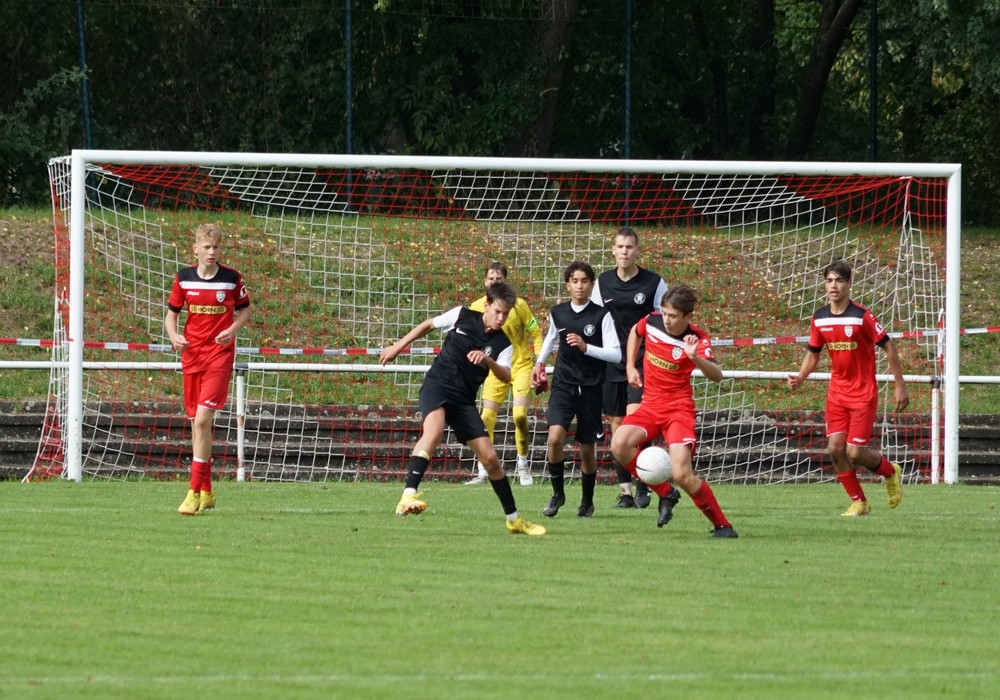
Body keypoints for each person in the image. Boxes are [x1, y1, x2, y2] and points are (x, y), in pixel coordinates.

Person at [379, 281, 546, 536]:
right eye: (497, 311)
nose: (501, 318)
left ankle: (514, 519)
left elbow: (506, 376)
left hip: (464, 399)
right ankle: (408, 495)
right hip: (438, 384)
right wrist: (397, 347)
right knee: (433, 431)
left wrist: (488, 359)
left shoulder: (503, 344)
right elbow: (427, 325)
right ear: (487, 305)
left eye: (506, 313)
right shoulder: (462, 315)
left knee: (490, 458)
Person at [610, 284, 738, 537]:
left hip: (678, 411)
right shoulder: (653, 321)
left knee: (681, 474)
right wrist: (630, 367)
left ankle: (723, 526)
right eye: (665, 313)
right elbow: (636, 332)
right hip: (650, 405)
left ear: (688, 316)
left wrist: (695, 358)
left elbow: (717, 376)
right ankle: (666, 494)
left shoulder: (697, 339)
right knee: (619, 445)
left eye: (673, 316)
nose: (667, 320)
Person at [787, 260, 907, 516]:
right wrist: (800, 377)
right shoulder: (819, 318)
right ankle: (859, 502)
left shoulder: (862, 316)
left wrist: (899, 385)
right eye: (829, 280)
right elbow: (813, 353)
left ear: (849, 284)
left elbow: (889, 347)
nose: (834, 285)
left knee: (855, 451)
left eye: (839, 280)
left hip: (863, 393)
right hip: (837, 394)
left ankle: (890, 471)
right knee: (834, 448)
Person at [165, 223, 251, 515]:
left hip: (219, 356)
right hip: (192, 357)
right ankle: (207, 491)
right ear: (196, 249)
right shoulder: (183, 279)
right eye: (207, 247)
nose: (212, 252)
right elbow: (171, 316)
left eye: (216, 247)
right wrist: (173, 336)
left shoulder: (231, 279)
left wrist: (233, 328)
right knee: (196, 424)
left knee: (202, 420)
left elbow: (246, 309)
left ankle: (192, 491)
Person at [531, 261, 621, 518]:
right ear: (567, 284)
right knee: (555, 437)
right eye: (575, 281)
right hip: (563, 384)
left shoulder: (601, 316)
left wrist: (586, 347)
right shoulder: (558, 312)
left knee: (586, 448)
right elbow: (551, 337)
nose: (579, 285)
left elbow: (615, 355)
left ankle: (587, 502)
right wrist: (539, 362)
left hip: (591, 388)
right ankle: (558, 493)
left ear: (591, 285)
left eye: (584, 281)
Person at [592, 226, 668, 509]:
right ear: (613, 250)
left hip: (643, 362)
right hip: (612, 362)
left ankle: (644, 486)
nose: (624, 251)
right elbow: (596, 320)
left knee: (635, 424)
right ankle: (625, 490)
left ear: (638, 251)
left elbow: (665, 320)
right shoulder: (602, 283)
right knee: (616, 426)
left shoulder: (654, 283)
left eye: (629, 247)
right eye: (619, 247)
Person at [466, 262, 544, 487]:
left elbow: (536, 334)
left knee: (519, 415)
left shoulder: (518, 306)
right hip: (494, 367)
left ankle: (522, 464)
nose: (494, 282)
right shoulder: (477, 306)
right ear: (485, 281)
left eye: (499, 279)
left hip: (520, 366)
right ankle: (483, 470)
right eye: (491, 279)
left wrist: (539, 363)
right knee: (486, 418)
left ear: (505, 281)